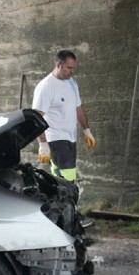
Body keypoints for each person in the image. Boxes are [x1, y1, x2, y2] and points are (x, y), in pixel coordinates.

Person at [32, 50, 96, 182]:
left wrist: (87, 130)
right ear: (58, 65)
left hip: (70, 137)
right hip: (55, 138)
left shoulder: (71, 83)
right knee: (68, 177)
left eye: (73, 68)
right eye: (69, 68)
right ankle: (70, 201)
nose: (72, 71)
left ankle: (59, 200)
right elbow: (36, 118)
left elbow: (78, 107)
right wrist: (43, 144)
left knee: (60, 177)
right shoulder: (46, 87)